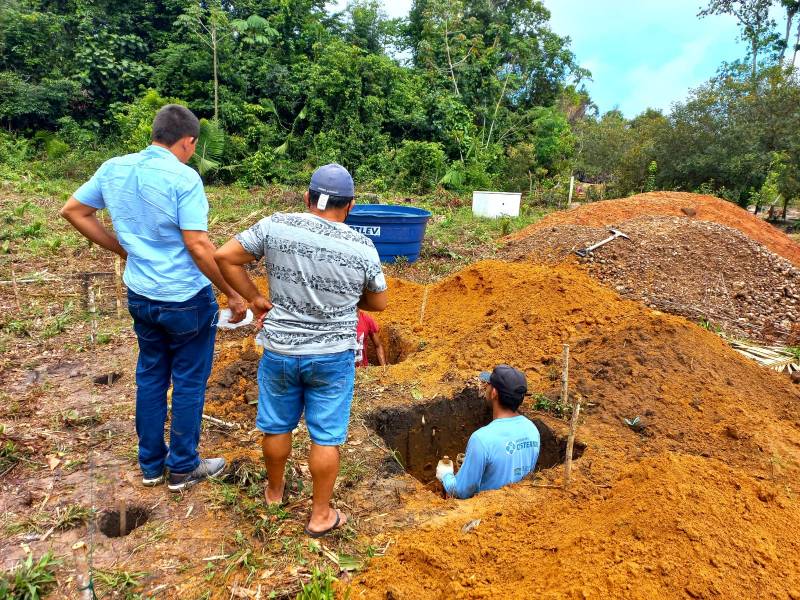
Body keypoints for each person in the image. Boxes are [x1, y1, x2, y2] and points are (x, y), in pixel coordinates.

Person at [60, 104, 246, 492]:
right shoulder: (184, 179)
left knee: (150, 376)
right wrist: (230, 291)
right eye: (193, 146)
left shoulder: (114, 168)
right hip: (185, 299)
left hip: (141, 294)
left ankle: (150, 465)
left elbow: (74, 211)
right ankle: (182, 467)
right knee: (190, 381)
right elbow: (197, 244)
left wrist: (121, 249)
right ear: (187, 141)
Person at [214, 163, 387, 537]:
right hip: (332, 357)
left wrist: (256, 298)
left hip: (280, 350)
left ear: (307, 198)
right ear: (351, 205)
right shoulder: (362, 246)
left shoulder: (276, 225)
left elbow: (224, 257)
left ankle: (274, 494)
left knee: (277, 424)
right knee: (326, 435)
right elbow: (379, 302)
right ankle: (320, 514)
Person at [436, 365, 540, 499]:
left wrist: (445, 475)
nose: (487, 387)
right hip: (517, 506)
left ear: (494, 393)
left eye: (489, 385)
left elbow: (461, 491)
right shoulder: (532, 429)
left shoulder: (481, 439)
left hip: (487, 514)